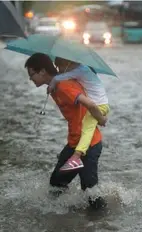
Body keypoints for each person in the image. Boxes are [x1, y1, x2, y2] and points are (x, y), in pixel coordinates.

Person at [24, 53, 106, 209]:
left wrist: (101, 119)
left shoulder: (64, 86)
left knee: (91, 193)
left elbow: (90, 105)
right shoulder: (55, 86)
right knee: (56, 184)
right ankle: (61, 218)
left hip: (88, 144)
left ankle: (101, 227)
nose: (30, 79)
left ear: (42, 71)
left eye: (31, 74)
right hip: (74, 143)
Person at [47, 57, 110, 172]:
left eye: (60, 67)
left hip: (99, 105)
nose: (59, 70)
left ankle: (76, 157)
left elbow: (59, 78)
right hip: (102, 104)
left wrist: (51, 85)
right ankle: (71, 156)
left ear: (68, 63)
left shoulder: (80, 70)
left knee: (87, 127)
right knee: (87, 126)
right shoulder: (83, 69)